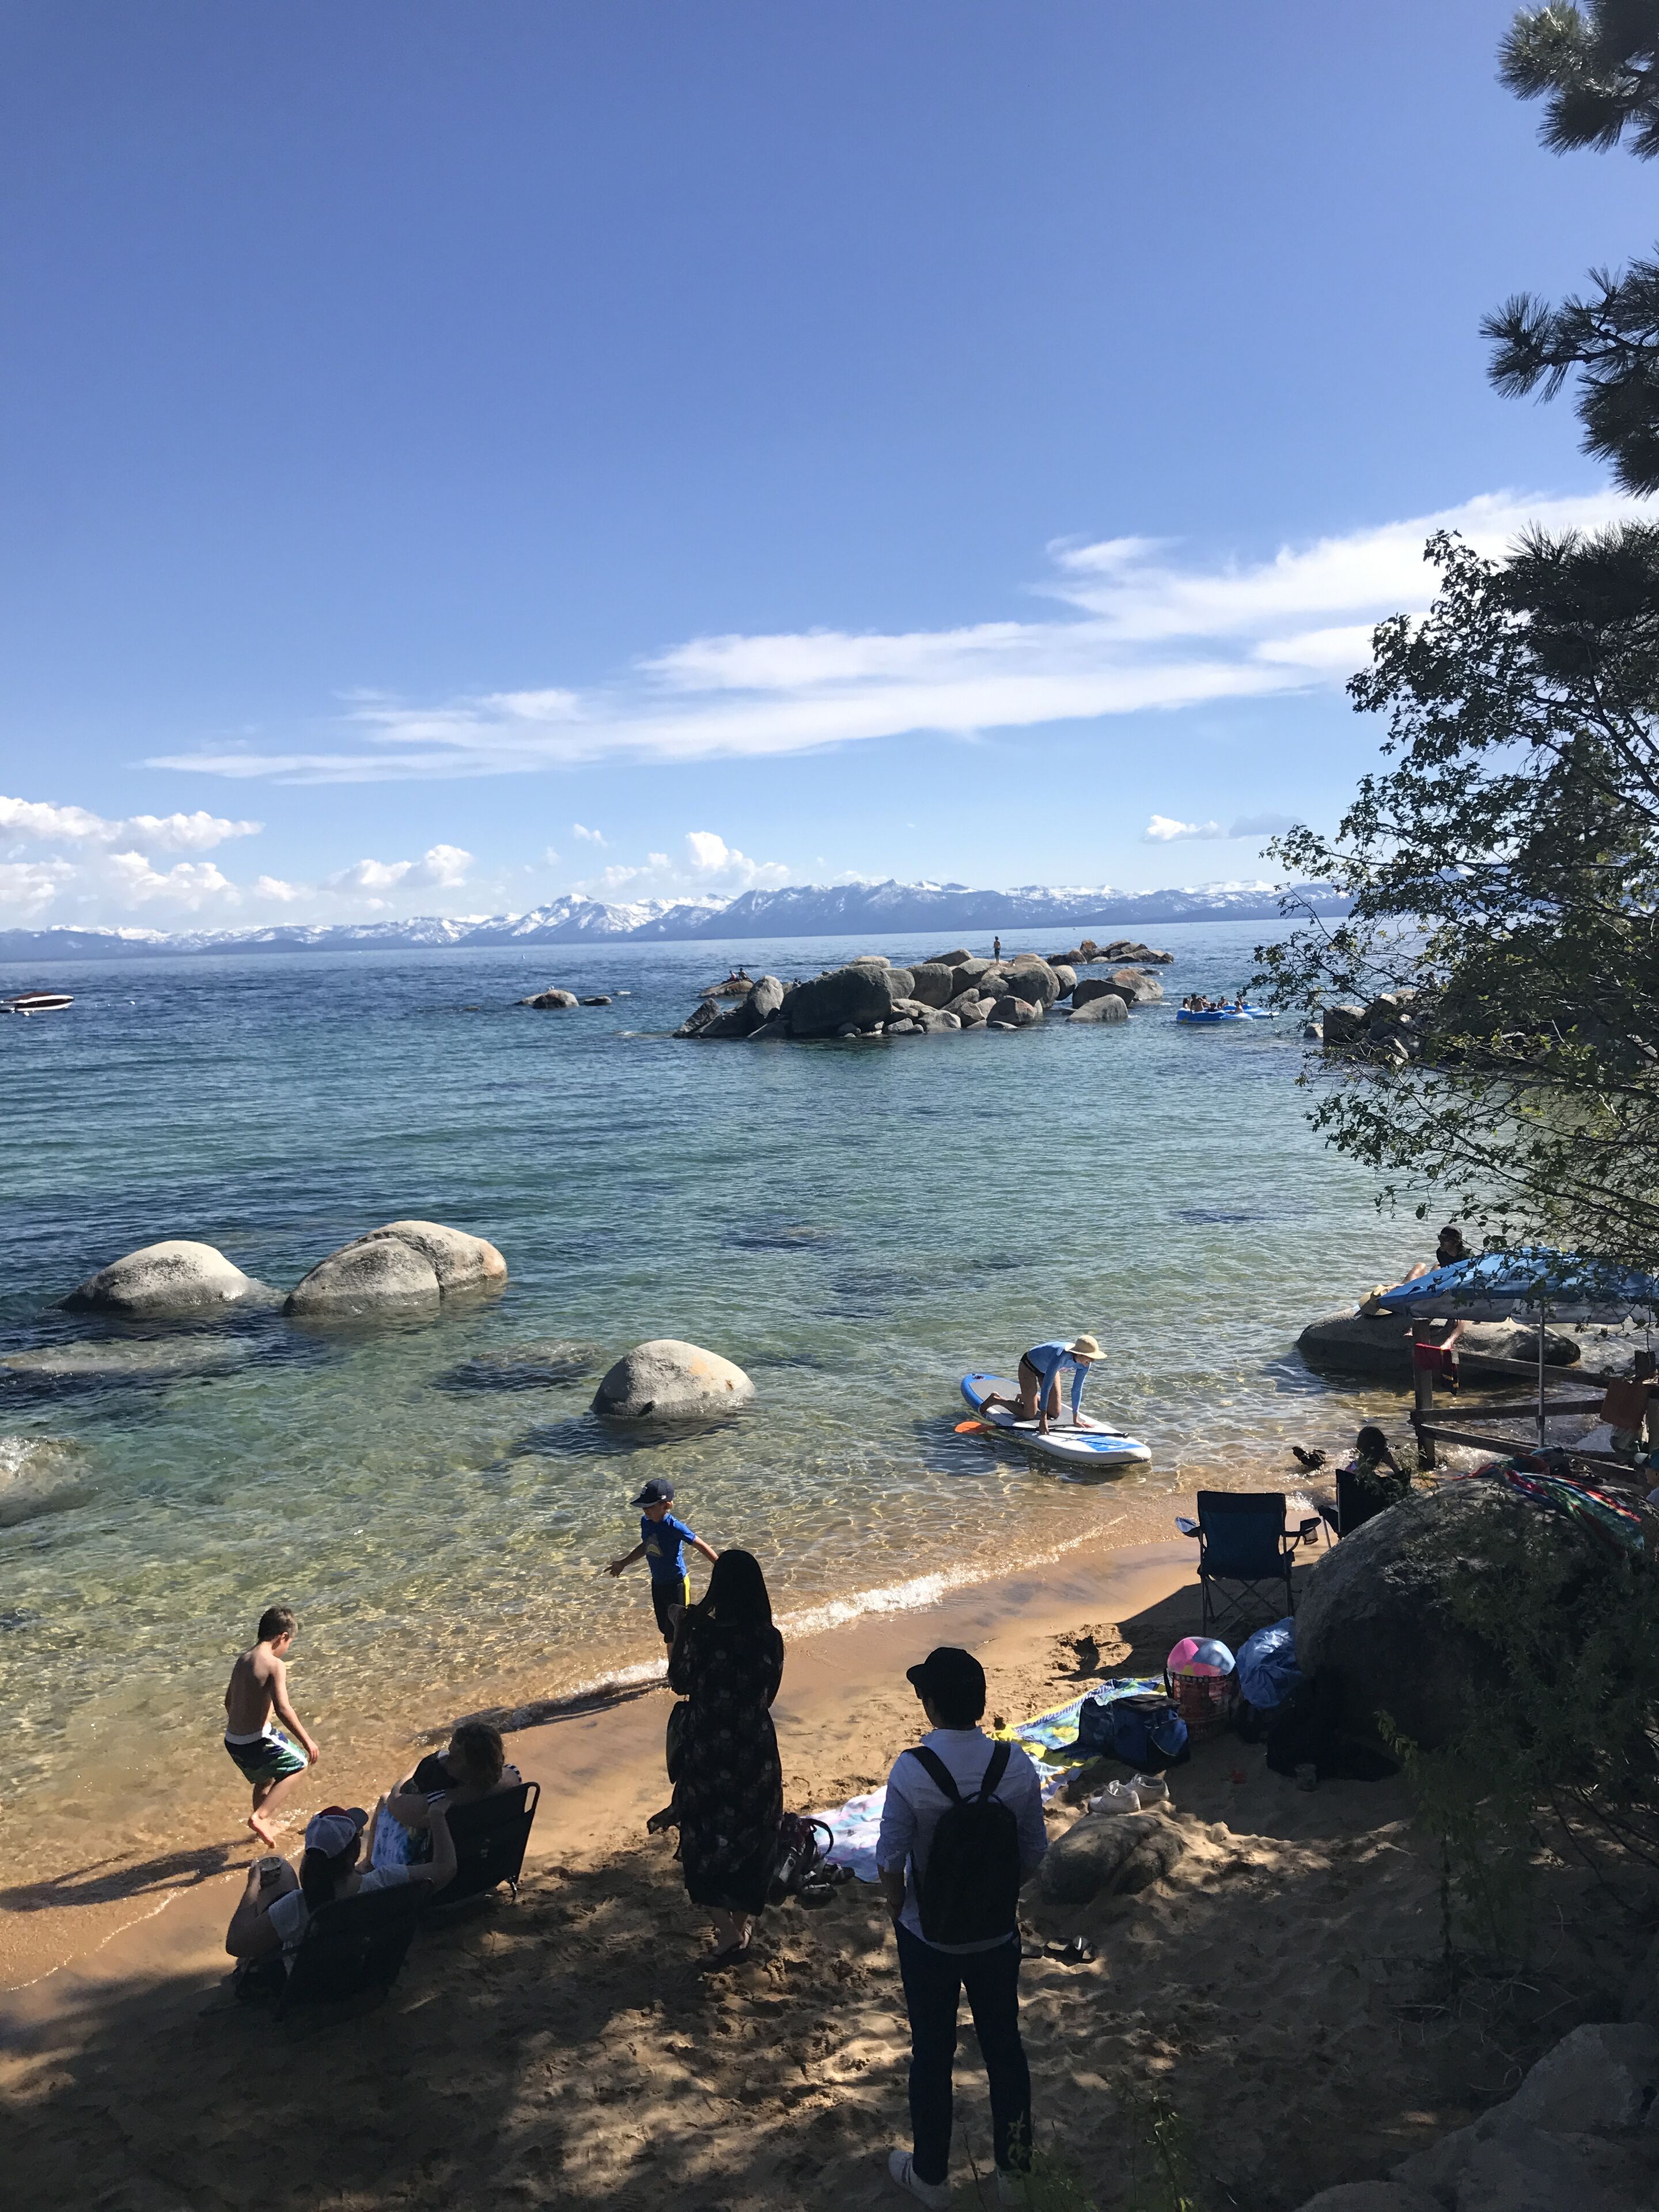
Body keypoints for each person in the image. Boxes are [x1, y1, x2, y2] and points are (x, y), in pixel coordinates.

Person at [877, 1646, 1048, 2209]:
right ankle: (1015, 2173)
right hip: (997, 1933)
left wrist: (898, 1909)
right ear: (981, 1703)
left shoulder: (911, 1770)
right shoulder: (1015, 1765)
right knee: (1005, 2047)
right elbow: (1033, 1855)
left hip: (930, 1938)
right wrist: (997, 1895)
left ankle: (930, 2175)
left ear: (930, 1706)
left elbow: (890, 1859)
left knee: (932, 2052)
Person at [666, 1548, 784, 1968]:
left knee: (704, 1830)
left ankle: (728, 1931)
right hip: (754, 1744)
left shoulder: (702, 1633)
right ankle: (742, 1925)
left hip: (709, 1744)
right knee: (754, 1829)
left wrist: (680, 1629)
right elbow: (769, 1694)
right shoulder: (770, 1637)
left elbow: (679, 1682)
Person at [224, 1801, 457, 1974]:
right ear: (354, 1852)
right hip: (365, 1970)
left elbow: (235, 1945)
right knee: (283, 1874)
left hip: (312, 1983)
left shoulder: (299, 1906)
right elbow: (446, 1868)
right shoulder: (387, 1881)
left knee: (280, 1871)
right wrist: (437, 1816)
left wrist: (252, 1885)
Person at [222, 1605, 320, 1844]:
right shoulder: (275, 1665)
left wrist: (246, 1723)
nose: (287, 1649)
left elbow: (228, 1702)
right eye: (289, 1644)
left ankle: (262, 1832)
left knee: (264, 1779)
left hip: (233, 1741)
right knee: (299, 1764)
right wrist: (308, 1741)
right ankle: (262, 1817)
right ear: (283, 1637)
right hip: (257, 1739)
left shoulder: (243, 1659)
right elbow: (283, 1709)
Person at [370, 1720, 522, 1871]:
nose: (446, 1760)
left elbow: (395, 1802)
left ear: (471, 1769)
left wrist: (411, 1773)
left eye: (454, 1757)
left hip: (438, 1874)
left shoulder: (441, 1801)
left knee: (384, 1797)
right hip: (488, 1865)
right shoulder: (512, 1779)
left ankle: (368, 1864)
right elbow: (501, 1774)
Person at [607, 1478, 719, 1653]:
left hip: (677, 1584)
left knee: (680, 1631)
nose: (645, 1510)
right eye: (644, 1506)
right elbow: (646, 1546)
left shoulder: (674, 1526)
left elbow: (700, 1544)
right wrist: (623, 1563)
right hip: (658, 1584)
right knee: (667, 1631)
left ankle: (679, 1670)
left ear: (666, 1505)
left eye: (650, 1506)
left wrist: (721, 1567)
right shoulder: (646, 1522)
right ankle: (677, 1667)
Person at [979, 1335, 1103, 1434]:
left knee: (1055, 1413)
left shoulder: (1085, 1364)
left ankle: (1028, 1397)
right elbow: (1047, 1387)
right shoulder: (1061, 1357)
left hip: (1049, 1370)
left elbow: (1076, 1390)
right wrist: (1043, 1419)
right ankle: (996, 1400)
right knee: (1029, 1414)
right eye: (1090, 1357)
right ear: (1079, 1354)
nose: (1092, 1361)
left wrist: (1075, 1418)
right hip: (1029, 1366)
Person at [1404, 1224, 1472, 1282]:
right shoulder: (1440, 1253)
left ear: (1457, 1242)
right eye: (1440, 1238)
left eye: (1446, 1240)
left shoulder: (1467, 1257)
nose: (1441, 1242)